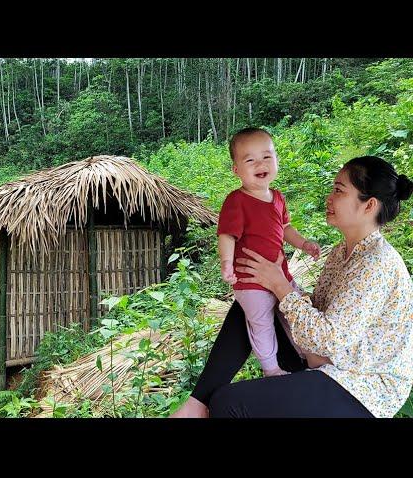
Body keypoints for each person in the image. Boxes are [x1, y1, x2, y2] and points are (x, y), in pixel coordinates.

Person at [171, 155, 413, 418]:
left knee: (228, 404)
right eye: (333, 188)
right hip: (323, 361)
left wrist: (280, 285)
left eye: (339, 190)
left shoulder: (375, 263)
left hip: (362, 385)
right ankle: (196, 403)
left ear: (369, 206)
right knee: (254, 300)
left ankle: (201, 405)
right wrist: (272, 285)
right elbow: (319, 311)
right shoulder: (341, 251)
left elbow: (329, 339)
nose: (329, 198)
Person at [218, 128, 321, 377]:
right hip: (251, 281)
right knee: (261, 323)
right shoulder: (236, 200)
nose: (260, 164)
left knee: (297, 312)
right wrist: (227, 264)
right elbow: (227, 234)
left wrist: (303, 243)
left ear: (276, 160)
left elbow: (285, 227)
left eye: (266, 156)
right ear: (236, 170)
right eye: (250, 159)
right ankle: (271, 369)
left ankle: (311, 358)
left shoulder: (277, 197)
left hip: (280, 275)